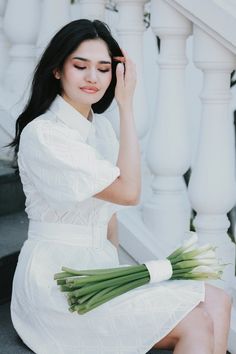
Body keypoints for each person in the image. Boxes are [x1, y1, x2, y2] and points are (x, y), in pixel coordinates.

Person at [9, 19, 231, 354]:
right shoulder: (45, 134)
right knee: (196, 323)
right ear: (57, 70)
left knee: (217, 299)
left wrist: (123, 278)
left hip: (98, 273)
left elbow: (109, 219)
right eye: (80, 66)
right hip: (57, 280)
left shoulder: (100, 131)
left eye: (103, 69)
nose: (92, 78)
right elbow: (128, 193)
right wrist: (127, 106)